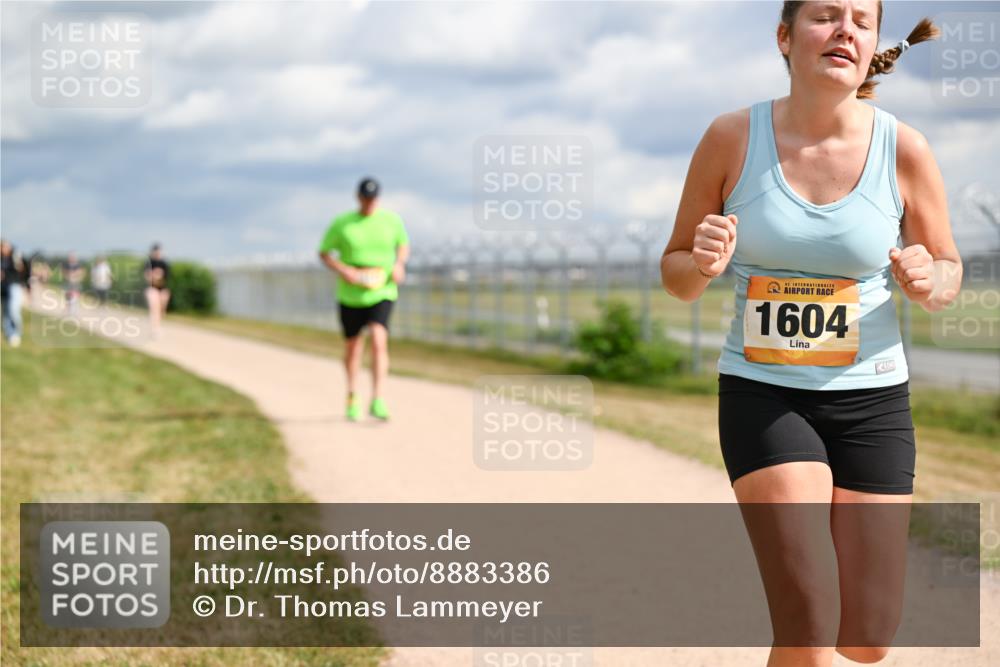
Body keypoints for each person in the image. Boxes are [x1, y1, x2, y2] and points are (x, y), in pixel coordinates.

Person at [660, 3, 961, 666]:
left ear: (874, 42)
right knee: (810, 616)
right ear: (785, 37)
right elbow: (676, 273)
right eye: (826, 15)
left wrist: (927, 277)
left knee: (868, 636)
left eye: (861, 18)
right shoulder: (731, 138)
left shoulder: (904, 148)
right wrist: (703, 261)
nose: (846, 30)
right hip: (765, 393)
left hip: (873, 399)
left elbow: (948, 270)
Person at [318, 177, 410, 421]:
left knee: (379, 339)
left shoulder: (391, 220)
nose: (369, 203)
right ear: (358, 197)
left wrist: (400, 264)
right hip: (351, 291)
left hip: (382, 288)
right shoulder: (342, 223)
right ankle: (351, 395)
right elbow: (324, 253)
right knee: (353, 346)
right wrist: (343, 270)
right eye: (365, 198)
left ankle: (378, 398)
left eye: (373, 199)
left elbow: (403, 244)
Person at [1, 239, 28, 347]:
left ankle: (17, 333)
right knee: (5, 313)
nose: (3, 249)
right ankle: (9, 334)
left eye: (5, 247)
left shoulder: (15, 256)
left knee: (13, 310)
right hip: (3, 288)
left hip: (14, 286)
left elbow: (22, 269)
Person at [144, 243, 171, 335]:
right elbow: (147, 277)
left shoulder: (164, 264)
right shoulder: (148, 263)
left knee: (161, 310)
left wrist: (158, 277)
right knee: (154, 307)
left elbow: (165, 280)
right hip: (151, 288)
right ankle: (154, 329)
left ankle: (157, 325)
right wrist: (153, 276)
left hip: (162, 289)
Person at [63, 252, 86, 317]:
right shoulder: (66, 265)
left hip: (75, 283)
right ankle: (69, 310)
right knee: (68, 296)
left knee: (75, 296)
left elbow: (81, 273)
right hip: (68, 282)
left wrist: (75, 277)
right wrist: (69, 276)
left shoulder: (78, 265)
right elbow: (64, 272)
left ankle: (74, 311)